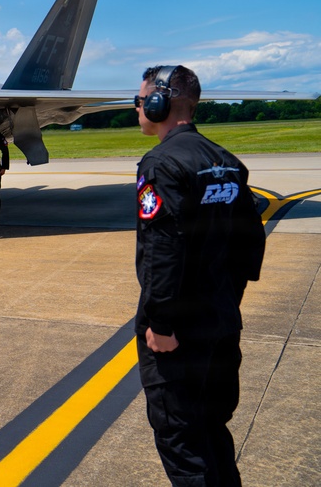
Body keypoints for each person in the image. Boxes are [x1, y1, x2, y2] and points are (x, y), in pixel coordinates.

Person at [134, 65, 265, 486]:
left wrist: (161, 323)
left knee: (183, 441)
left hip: (179, 333)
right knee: (212, 429)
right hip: (221, 321)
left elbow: (163, 250)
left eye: (140, 101)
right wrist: (225, 301)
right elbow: (250, 245)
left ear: (160, 103)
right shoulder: (226, 162)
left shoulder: (161, 164)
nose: (137, 108)